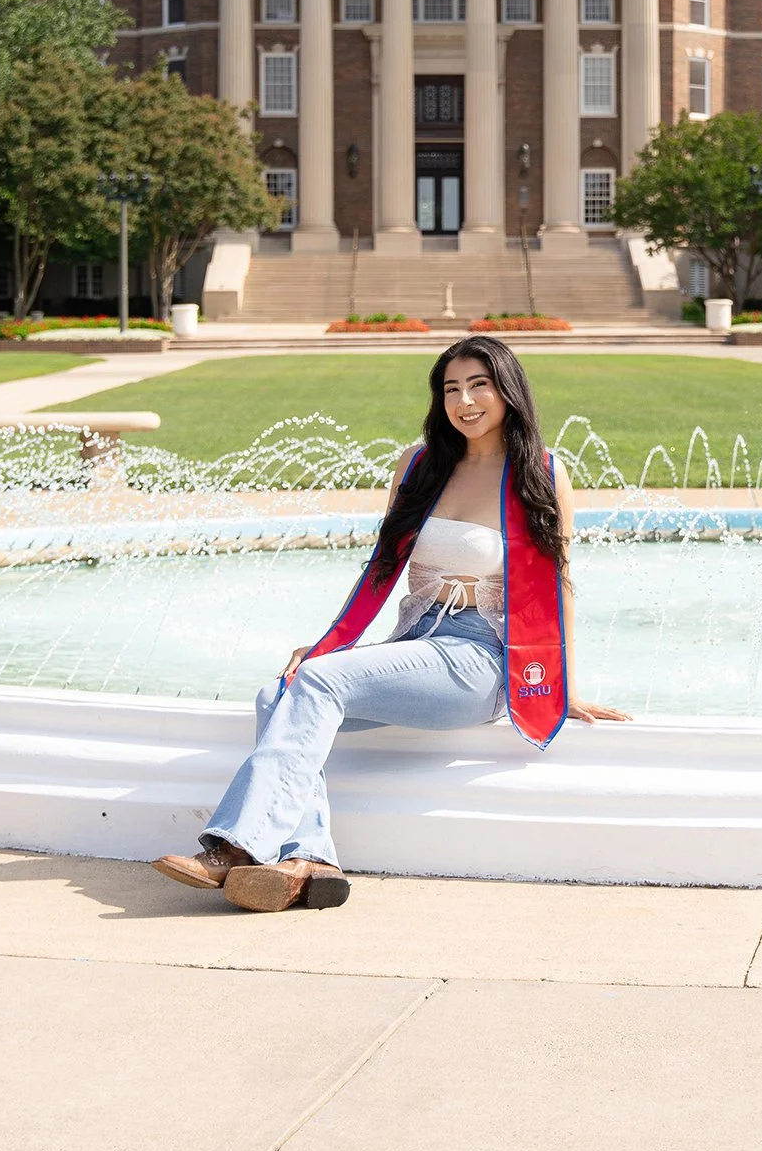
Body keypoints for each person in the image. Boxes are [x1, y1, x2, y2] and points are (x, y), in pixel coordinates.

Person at [151, 336, 629, 911]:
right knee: (276, 692)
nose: (465, 401)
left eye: (479, 385)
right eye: (451, 389)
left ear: (508, 390)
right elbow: (382, 567)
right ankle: (312, 859)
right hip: (416, 638)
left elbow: (560, 587)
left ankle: (236, 845)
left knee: (318, 681)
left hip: (481, 657)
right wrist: (334, 643)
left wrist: (562, 686)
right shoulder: (421, 463)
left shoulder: (540, 474)